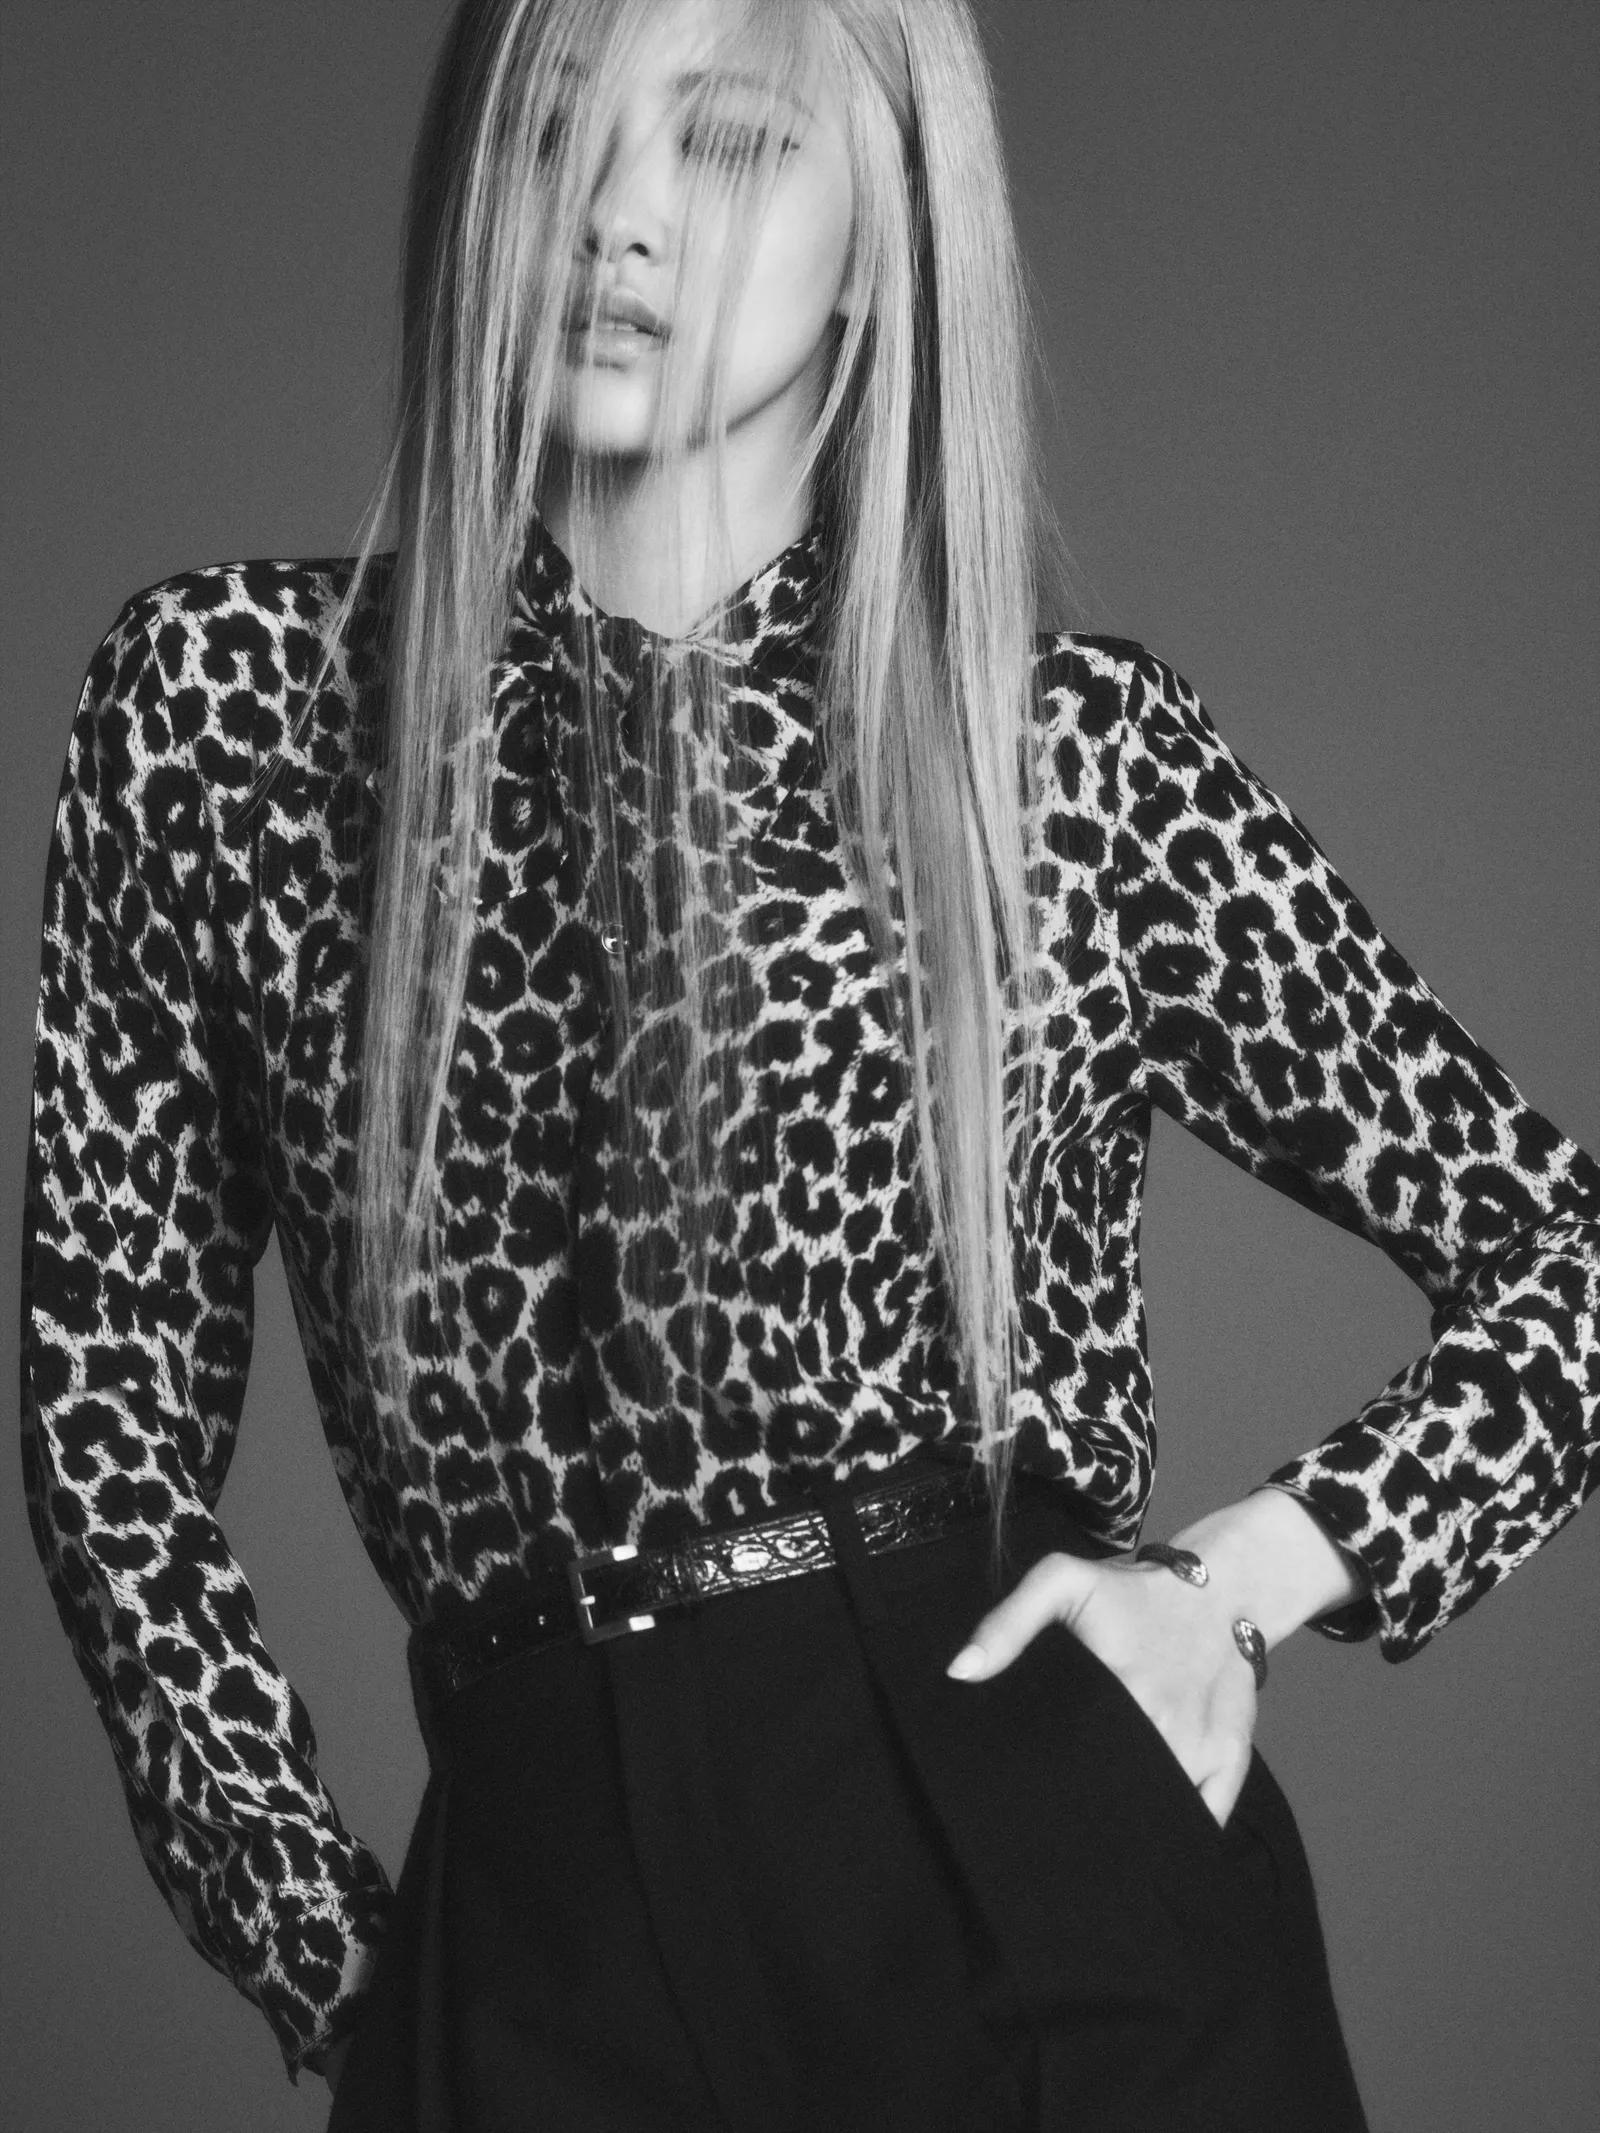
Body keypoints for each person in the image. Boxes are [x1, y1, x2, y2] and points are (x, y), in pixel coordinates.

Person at [18, 0, 1597, 2127]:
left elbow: (1568, 1256)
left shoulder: (1053, 758)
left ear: (883, 241)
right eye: (555, 125)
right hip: (535, 1933)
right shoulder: (228, 723)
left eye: (736, 142)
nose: (615, 212)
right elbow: (104, 1421)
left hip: (1041, 1890)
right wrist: (346, 1967)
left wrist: (1239, 1583)